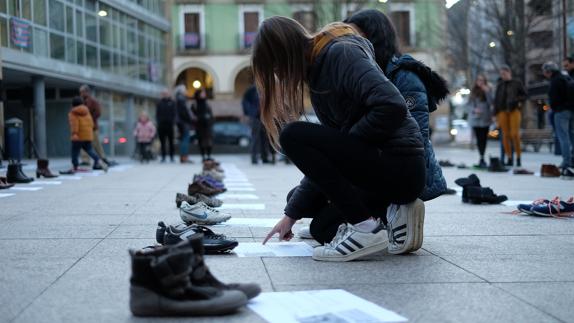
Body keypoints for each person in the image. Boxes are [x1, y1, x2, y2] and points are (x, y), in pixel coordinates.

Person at [255, 17, 425, 262]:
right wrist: (290, 216)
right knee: (318, 225)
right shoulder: (317, 70)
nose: (278, 75)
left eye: (275, 67)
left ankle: (367, 228)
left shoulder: (340, 54)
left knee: (293, 135)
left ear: (283, 54)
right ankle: (393, 213)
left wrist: (344, 149)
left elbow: (392, 106)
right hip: (377, 169)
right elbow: (328, 155)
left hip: (400, 166)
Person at [542, 62, 574, 180]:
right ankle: (571, 159)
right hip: (571, 110)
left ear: (548, 71)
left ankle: (566, 162)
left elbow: (554, 98)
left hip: (561, 111)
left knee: (563, 137)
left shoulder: (555, 80)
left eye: (545, 72)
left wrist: (554, 108)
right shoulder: (566, 77)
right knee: (571, 135)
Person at [493, 65, 527, 167]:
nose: (503, 76)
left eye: (504, 73)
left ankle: (518, 157)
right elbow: (496, 100)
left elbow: (524, 95)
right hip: (502, 111)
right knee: (505, 136)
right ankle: (509, 158)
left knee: (514, 134)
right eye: (501, 74)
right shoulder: (500, 85)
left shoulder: (517, 83)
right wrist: (494, 114)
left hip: (514, 110)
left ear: (509, 73)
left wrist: (517, 101)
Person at [79, 85, 115, 167]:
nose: (81, 93)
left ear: (87, 92)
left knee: (96, 143)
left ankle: (102, 158)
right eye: (80, 92)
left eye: (82, 92)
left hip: (92, 127)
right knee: (83, 144)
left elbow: (98, 112)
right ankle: (85, 160)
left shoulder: (93, 101)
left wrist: (90, 119)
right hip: (83, 127)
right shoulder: (80, 102)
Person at [67, 97, 106, 172]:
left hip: (78, 136)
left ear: (73, 104)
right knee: (89, 150)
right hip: (88, 135)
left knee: (75, 151)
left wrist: (74, 133)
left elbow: (74, 124)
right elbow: (91, 123)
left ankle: (75, 166)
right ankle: (99, 160)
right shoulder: (87, 112)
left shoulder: (73, 112)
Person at [467, 74, 493, 168]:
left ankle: (482, 157)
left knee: (484, 139)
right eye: (478, 80)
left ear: (485, 81)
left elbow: (491, 103)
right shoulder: (473, 92)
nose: (480, 82)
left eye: (482, 80)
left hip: (485, 119)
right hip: (475, 119)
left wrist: (487, 92)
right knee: (479, 139)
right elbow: (468, 105)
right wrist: (474, 109)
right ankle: (481, 158)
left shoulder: (488, 90)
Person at [242, 84, 272, 164]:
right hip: (255, 117)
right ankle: (254, 158)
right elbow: (245, 101)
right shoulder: (252, 90)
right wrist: (250, 112)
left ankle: (264, 157)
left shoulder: (266, 89)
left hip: (265, 117)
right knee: (255, 138)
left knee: (265, 138)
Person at [192, 88, 214, 161]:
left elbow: (211, 114)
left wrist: (210, 120)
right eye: (202, 93)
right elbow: (193, 115)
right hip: (199, 125)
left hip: (207, 125)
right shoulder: (195, 104)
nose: (204, 94)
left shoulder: (207, 103)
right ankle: (203, 156)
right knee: (201, 141)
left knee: (209, 141)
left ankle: (208, 156)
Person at [174, 84, 195, 163]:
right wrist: (190, 119)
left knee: (184, 139)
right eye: (185, 90)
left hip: (181, 122)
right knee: (185, 139)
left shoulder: (179, 99)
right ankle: (184, 157)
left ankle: (183, 157)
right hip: (183, 122)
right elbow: (184, 112)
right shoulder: (181, 99)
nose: (186, 91)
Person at [155, 90, 177, 163]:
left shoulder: (172, 103)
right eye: (164, 93)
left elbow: (174, 113)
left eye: (166, 93)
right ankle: (163, 156)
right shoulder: (159, 103)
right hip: (161, 125)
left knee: (171, 142)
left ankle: (172, 156)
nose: (165, 95)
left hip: (170, 125)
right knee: (162, 142)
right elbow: (157, 114)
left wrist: (173, 122)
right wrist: (159, 121)